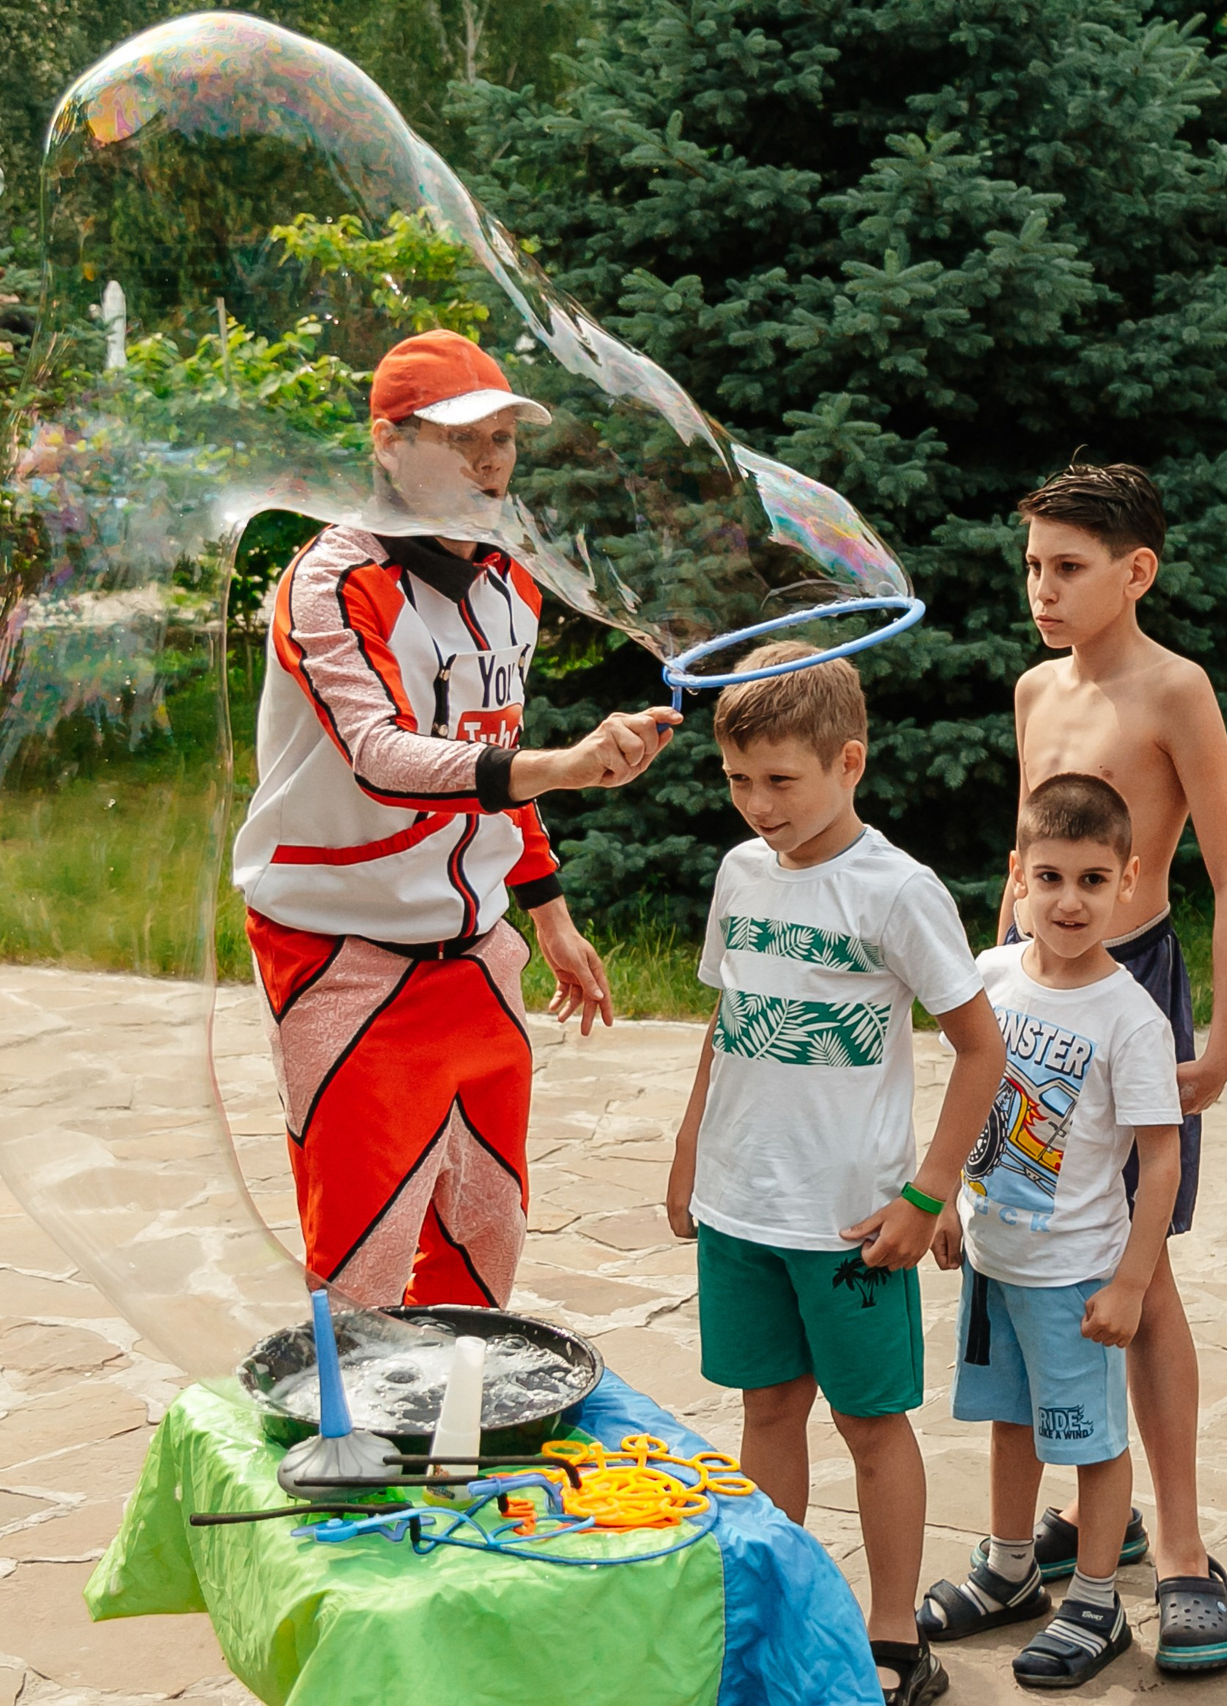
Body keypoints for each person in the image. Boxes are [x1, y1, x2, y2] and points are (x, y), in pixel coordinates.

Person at [233, 328, 678, 1307]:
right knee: (365, 1238)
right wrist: (559, 766)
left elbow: (491, 742)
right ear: (389, 443)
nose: (489, 460)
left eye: (505, 440)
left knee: (485, 1222)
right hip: (338, 950)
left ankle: (454, 1428)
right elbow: (381, 753)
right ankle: (357, 1438)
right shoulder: (333, 579)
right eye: (460, 437)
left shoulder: (509, 579)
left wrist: (548, 913)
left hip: (474, 947)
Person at [663, 642, 1008, 1706]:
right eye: (737, 779)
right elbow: (727, 1021)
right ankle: (770, 1606)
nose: (757, 804)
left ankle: (893, 1631)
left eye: (781, 779)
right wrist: (688, 1153)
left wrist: (927, 1192)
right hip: (740, 1204)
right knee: (766, 1408)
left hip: (852, 1219)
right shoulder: (740, 872)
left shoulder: (896, 890)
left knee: (868, 1421)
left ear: (846, 760)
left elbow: (981, 1046)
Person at [1000, 462, 1227, 1671]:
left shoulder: (1175, 689)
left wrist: (1226, 1035)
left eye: (1067, 567)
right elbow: (1025, 861)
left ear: (1134, 571)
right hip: (1031, 999)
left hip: (1139, 992)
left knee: (1139, 1270)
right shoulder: (1032, 689)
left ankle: (1185, 1553)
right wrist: (986, 997)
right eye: (1034, 565)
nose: (1042, 589)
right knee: (1035, 1243)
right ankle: (1079, 1521)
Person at [917, 774, 1188, 1689]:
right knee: (1009, 1423)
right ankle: (1007, 1570)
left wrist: (1131, 1283)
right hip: (996, 1262)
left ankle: (1098, 1600)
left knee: (1091, 1440)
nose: (1070, 900)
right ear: (1017, 879)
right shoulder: (989, 979)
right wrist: (948, 1195)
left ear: (1129, 880)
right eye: (1050, 877)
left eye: (1093, 879)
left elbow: (1161, 1161)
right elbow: (968, 1097)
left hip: (1076, 1277)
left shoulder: (1131, 1019)